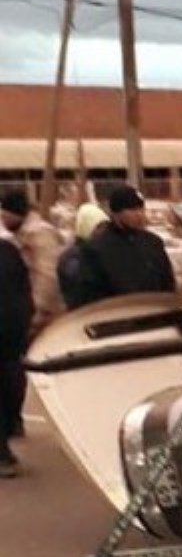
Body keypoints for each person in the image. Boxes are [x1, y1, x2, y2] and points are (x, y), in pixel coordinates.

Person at [78, 186, 176, 306]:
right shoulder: (96, 248)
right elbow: (91, 293)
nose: (140, 214)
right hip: (119, 315)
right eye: (132, 210)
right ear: (116, 213)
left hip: (154, 312)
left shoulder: (153, 242)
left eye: (141, 209)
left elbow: (167, 283)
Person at [1, 190, 66, 332]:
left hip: (45, 318)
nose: (3, 221)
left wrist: (34, 315)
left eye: (5, 216)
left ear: (15, 214)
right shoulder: (23, 234)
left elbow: (47, 276)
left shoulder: (40, 234)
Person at [0, 237, 32, 477]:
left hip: (10, 334)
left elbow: (23, 288)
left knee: (11, 387)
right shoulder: (9, 250)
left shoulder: (8, 251)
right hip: (11, 333)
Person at [57, 201, 110, 310]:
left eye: (106, 226)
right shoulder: (73, 258)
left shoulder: (104, 251)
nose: (104, 231)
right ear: (87, 227)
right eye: (99, 227)